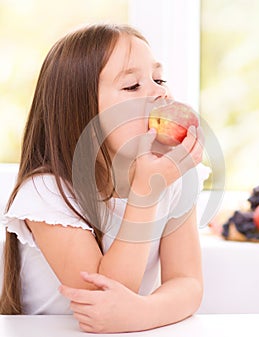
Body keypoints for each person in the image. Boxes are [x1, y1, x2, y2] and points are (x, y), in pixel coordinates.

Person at [0, 23, 210, 333]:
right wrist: (144, 194)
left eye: (158, 78)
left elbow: (188, 283)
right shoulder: (46, 192)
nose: (160, 91)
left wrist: (144, 312)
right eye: (132, 86)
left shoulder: (170, 177)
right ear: (81, 111)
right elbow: (104, 299)